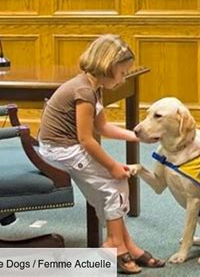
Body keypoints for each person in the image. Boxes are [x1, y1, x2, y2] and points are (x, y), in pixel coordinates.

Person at [38, 34, 165, 274]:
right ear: (108, 66)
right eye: (123, 72)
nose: (124, 77)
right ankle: (114, 246)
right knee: (115, 184)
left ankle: (127, 245)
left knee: (106, 194)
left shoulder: (93, 88)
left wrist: (138, 136)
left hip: (66, 146)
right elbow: (86, 139)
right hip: (60, 149)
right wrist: (113, 165)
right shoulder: (84, 92)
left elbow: (103, 128)